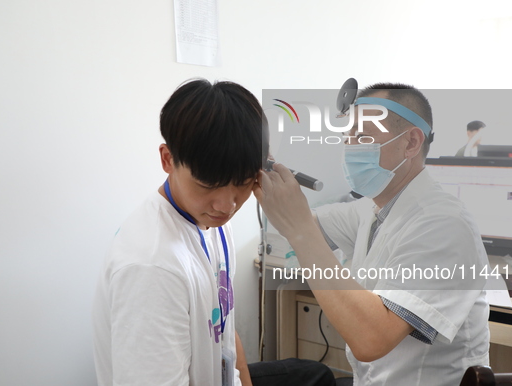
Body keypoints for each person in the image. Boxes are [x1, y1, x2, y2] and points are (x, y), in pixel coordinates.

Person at [92, 78, 335, 386]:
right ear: (168, 159)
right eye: (208, 186)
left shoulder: (211, 222)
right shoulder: (152, 267)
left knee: (315, 375)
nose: (227, 204)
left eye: (243, 183)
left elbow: (223, 327)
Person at [255, 83, 490, 386]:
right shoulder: (372, 209)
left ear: (411, 142)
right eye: (348, 136)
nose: (350, 146)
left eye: (363, 136)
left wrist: (299, 229)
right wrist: (268, 176)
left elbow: (371, 339)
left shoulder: (444, 224)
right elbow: (299, 225)